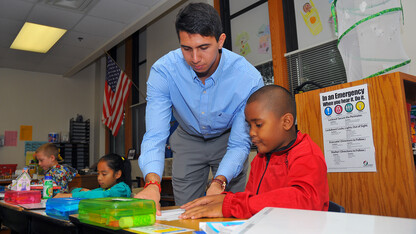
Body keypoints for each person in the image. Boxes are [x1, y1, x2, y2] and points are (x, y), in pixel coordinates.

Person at [135, 2, 264, 214]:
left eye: (203, 47)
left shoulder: (247, 79)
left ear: (221, 40)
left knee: (229, 210)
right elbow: (155, 135)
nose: (195, 59)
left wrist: (219, 182)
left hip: (228, 138)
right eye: (186, 48)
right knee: (186, 211)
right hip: (188, 139)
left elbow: (240, 144)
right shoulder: (164, 71)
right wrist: (152, 185)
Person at [179, 85, 329, 219]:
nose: (251, 132)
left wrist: (231, 205)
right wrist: (224, 199)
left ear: (286, 122)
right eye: (249, 125)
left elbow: (303, 200)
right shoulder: (260, 158)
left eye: (258, 124)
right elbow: (253, 199)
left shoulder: (307, 154)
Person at [54, 153, 131, 198]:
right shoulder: (105, 189)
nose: (99, 178)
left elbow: (104, 195)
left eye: (104, 174)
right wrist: (82, 190)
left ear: (117, 174)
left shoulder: (121, 189)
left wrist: (70, 196)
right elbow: (74, 190)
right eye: (98, 174)